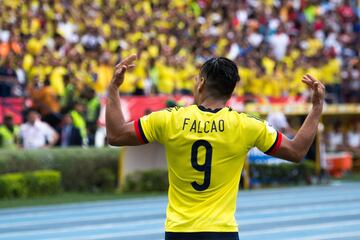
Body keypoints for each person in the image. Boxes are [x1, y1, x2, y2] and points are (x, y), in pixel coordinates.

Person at [106, 54, 325, 240]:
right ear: (231, 91)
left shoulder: (169, 119)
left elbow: (115, 135)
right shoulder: (247, 125)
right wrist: (316, 107)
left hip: (179, 230)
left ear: (201, 83)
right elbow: (297, 151)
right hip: (222, 231)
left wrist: (114, 88)